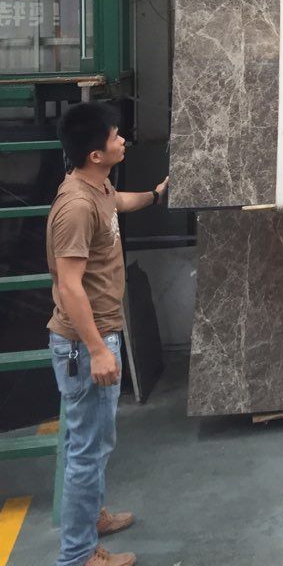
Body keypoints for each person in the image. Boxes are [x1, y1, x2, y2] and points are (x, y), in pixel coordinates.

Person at [47, 102, 168, 566]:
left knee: (95, 443)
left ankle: (92, 517)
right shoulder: (76, 207)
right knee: (86, 450)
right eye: (116, 137)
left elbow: (119, 204)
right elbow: (69, 285)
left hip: (97, 337)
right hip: (85, 344)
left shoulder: (98, 188)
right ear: (96, 154)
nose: (123, 141)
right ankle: (79, 555)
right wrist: (98, 349)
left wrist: (155, 195)